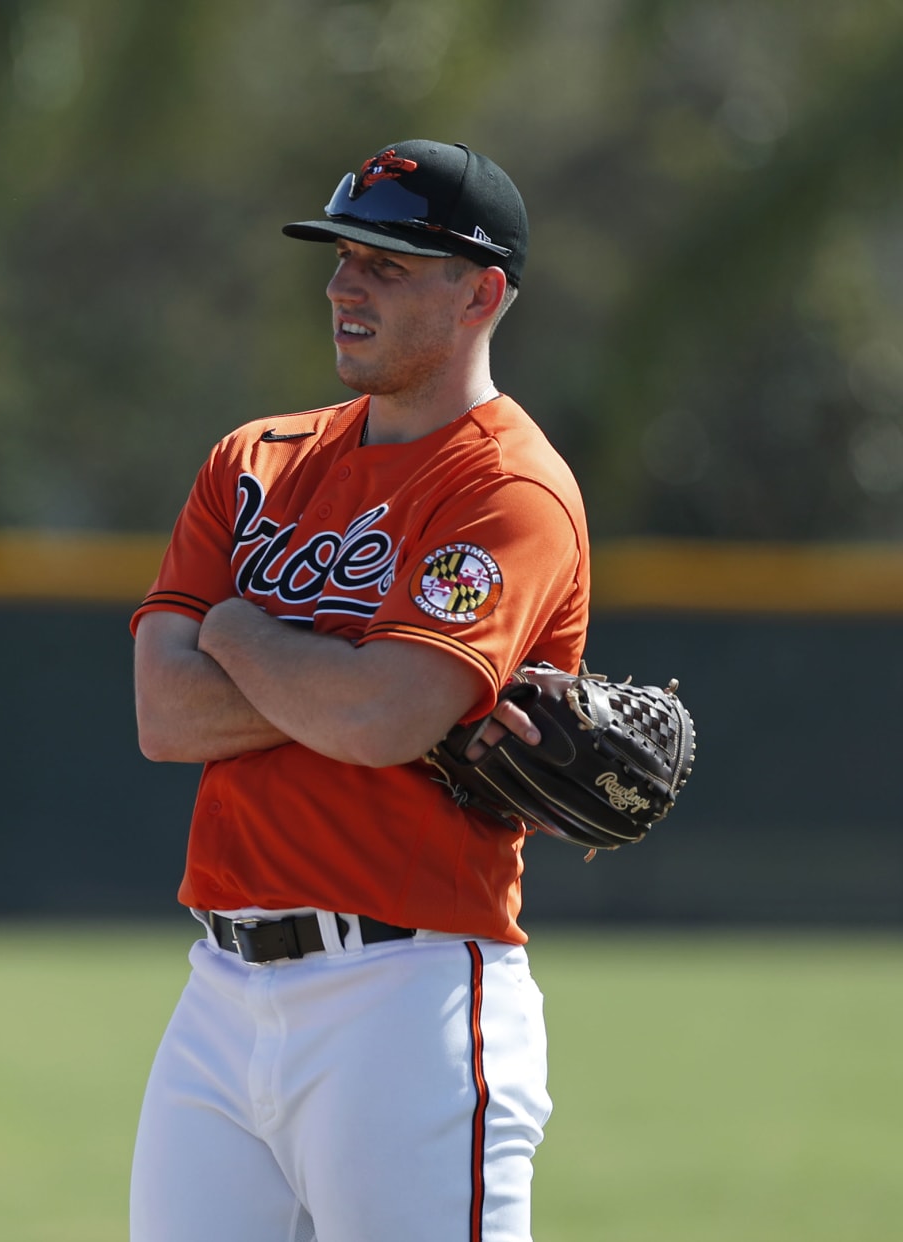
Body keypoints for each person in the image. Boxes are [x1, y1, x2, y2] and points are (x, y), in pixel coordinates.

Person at [127, 141, 583, 1241]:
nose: (344, 283)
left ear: (482, 293)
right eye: (343, 254)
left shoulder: (508, 487)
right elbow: (163, 715)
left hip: (409, 992)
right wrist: (333, 678)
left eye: (387, 261)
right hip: (221, 993)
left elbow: (385, 721)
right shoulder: (256, 458)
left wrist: (235, 626)